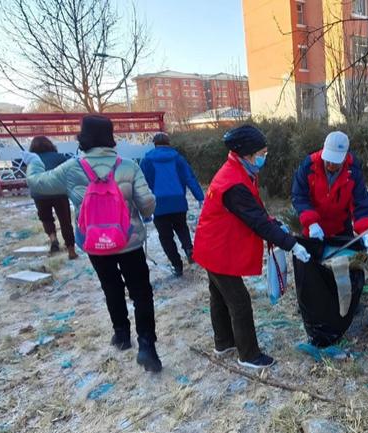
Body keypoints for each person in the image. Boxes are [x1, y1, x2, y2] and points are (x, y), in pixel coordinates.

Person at [24, 115, 163, 373]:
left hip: (94, 242)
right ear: (110, 136)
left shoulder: (71, 168)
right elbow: (146, 203)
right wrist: (142, 211)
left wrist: (33, 162)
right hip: (129, 240)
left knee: (110, 286)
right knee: (141, 292)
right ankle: (147, 347)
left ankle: (121, 335)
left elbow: (37, 184)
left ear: (83, 137)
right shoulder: (128, 166)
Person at [193, 125, 311, 369]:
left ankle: (224, 342)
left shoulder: (240, 171)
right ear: (246, 154)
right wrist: (291, 245)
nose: (264, 157)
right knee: (239, 301)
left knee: (219, 296)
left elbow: (255, 211)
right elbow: (255, 221)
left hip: (214, 244)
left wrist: (274, 224)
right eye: (261, 152)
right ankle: (248, 355)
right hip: (217, 248)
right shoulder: (233, 182)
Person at [139, 132, 205, 277]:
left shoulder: (146, 161)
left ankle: (177, 265)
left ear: (154, 144)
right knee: (182, 227)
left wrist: (143, 209)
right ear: (169, 143)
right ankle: (188, 248)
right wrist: (200, 197)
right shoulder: (178, 158)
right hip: (178, 201)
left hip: (158, 204)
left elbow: (141, 185)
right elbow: (190, 178)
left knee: (165, 237)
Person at [291, 131, 368, 242]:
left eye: (335, 162)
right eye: (328, 160)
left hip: (341, 229)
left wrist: (364, 231)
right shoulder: (309, 166)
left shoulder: (353, 171)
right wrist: (311, 223)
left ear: (345, 157)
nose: (330, 165)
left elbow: (361, 203)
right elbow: (299, 196)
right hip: (313, 229)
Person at [28, 136, 77, 260]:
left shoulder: (32, 160)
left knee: (46, 218)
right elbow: (71, 167)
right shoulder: (59, 157)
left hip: (39, 194)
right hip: (59, 193)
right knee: (65, 221)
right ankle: (71, 250)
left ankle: (53, 239)